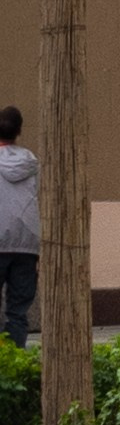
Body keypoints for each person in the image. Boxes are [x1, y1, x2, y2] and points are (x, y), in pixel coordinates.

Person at [0, 107, 39, 351]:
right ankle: (16, 363)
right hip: (27, 243)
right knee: (18, 311)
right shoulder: (31, 163)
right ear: (19, 132)